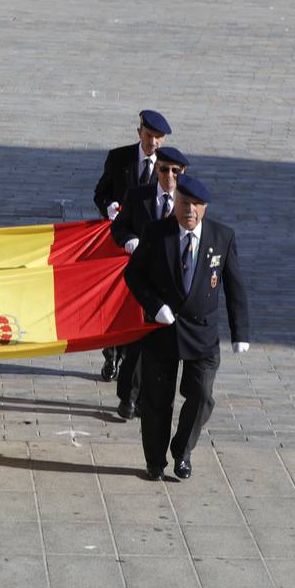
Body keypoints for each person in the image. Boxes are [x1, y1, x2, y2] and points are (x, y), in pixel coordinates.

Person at [124, 174, 249, 481]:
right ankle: (155, 461)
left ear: (205, 208)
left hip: (202, 333)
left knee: (202, 395)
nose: (189, 209)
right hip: (162, 331)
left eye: (195, 204)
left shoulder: (222, 237)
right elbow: (133, 275)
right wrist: (155, 307)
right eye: (183, 202)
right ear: (175, 202)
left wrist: (240, 332)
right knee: (156, 401)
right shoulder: (156, 233)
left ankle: (182, 451)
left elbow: (235, 287)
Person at [109, 145, 187, 419]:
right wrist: (128, 238)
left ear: (182, 173)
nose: (168, 176)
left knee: (160, 349)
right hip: (142, 282)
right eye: (163, 169)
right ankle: (128, 397)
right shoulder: (139, 196)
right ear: (156, 169)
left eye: (174, 171)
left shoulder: (187, 203)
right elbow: (120, 226)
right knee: (136, 345)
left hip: (172, 287)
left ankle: (146, 398)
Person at [92, 108, 171, 383]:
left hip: (148, 252)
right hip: (119, 245)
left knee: (136, 305)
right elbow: (100, 193)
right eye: (150, 136)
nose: (154, 143)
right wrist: (108, 207)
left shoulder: (167, 165)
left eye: (159, 138)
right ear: (140, 133)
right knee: (114, 302)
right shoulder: (119, 157)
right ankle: (111, 354)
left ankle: (128, 358)